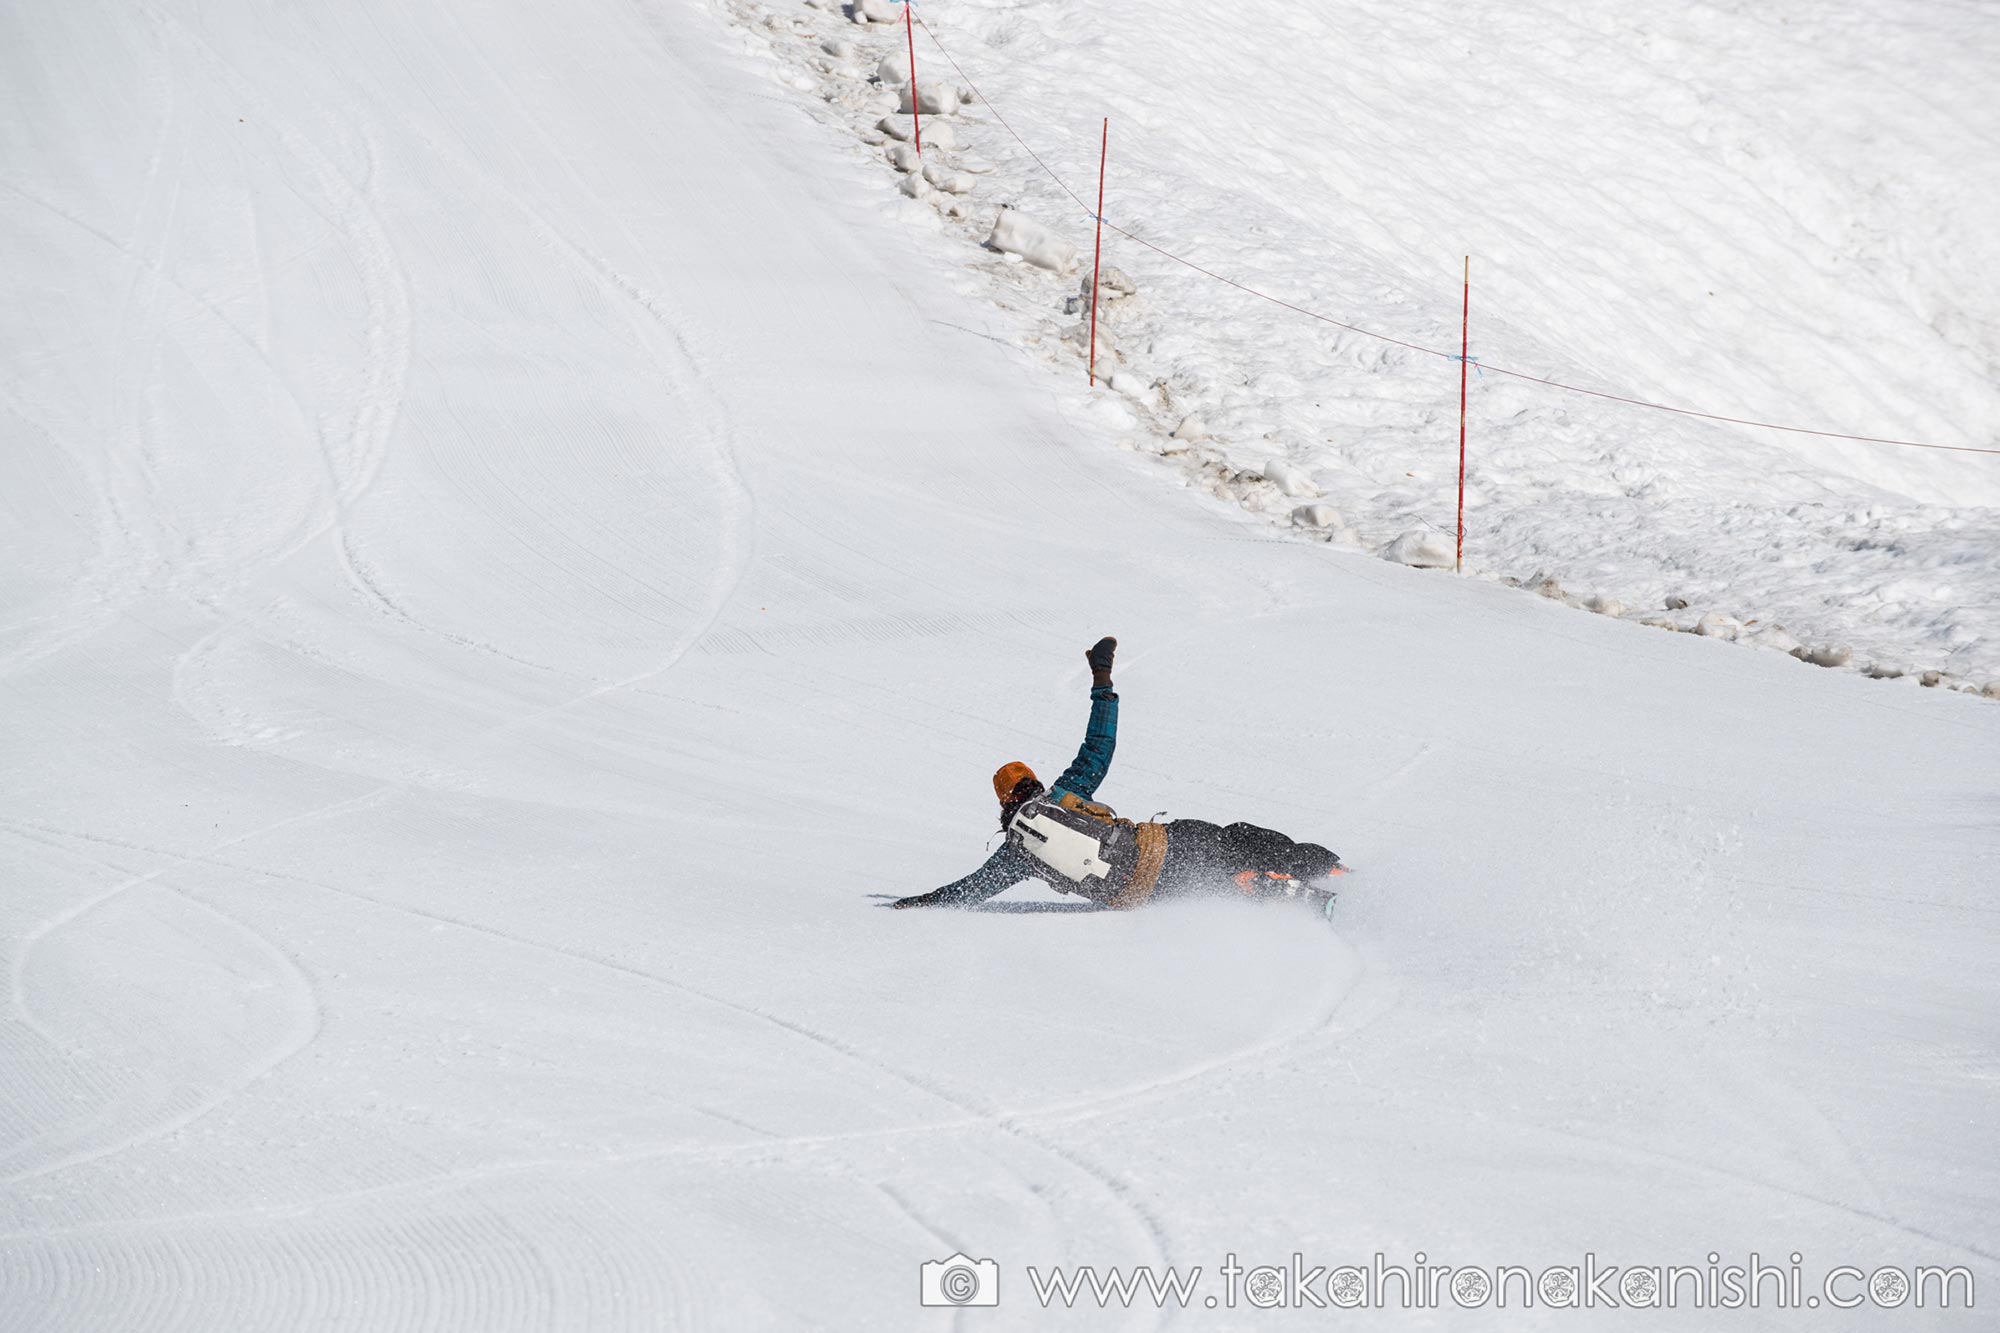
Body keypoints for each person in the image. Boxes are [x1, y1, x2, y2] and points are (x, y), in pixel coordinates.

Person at [892, 637, 1343, 912]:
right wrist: (1102, 680)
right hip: (1162, 846)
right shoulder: (1064, 795)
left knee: (1212, 886)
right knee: (1239, 839)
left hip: (1142, 893)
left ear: (1003, 802)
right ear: (1032, 785)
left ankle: (1265, 891)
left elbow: (971, 890)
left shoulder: (1017, 853)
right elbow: (1100, 744)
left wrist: (922, 901)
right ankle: (1331, 872)